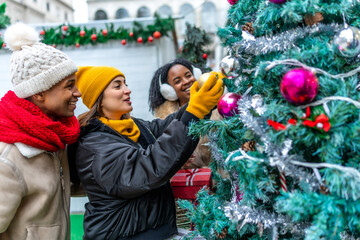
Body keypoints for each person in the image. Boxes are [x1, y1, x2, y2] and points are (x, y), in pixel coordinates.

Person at [70, 66, 223, 239]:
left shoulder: (132, 126)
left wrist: (199, 103)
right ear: (100, 100)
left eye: (125, 84)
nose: (127, 90)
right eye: (117, 86)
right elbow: (150, 166)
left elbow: (166, 127)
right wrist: (195, 111)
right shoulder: (95, 146)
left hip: (152, 232)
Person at [0, 23, 81, 239]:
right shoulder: (9, 157)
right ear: (39, 94)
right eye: (69, 85)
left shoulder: (54, 136)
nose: (78, 92)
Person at [148, 58, 220, 168]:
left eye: (188, 75)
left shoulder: (218, 109)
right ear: (169, 91)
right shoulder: (163, 122)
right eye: (177, 81)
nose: (186, 81)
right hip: (183, 182)